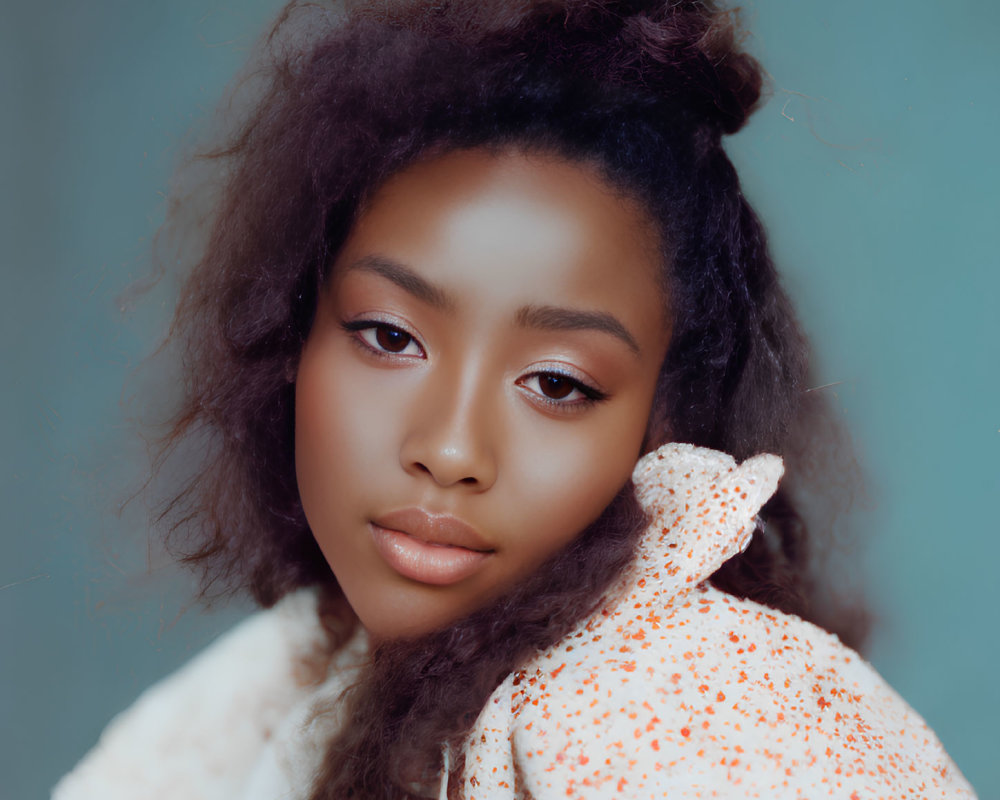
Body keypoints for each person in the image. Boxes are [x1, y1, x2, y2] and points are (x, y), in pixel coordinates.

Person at [53, 1, 976, 798]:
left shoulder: (696, 695)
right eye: (389, 337)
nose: (451, 450)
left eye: (558, 385)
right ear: (292, 332)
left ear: (662, 421)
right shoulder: (282, 683)